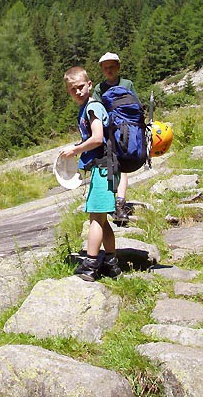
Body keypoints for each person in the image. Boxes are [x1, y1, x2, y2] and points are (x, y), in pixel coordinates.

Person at [60, 66, 121, 282]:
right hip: (105, 167)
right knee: (102, 220)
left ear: (89, 85)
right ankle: (112, 264)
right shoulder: (88, 108)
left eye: (80, 87)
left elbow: (97, 138)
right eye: (72, 90)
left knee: (95, 218)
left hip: (104, 168)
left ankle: (90, 265)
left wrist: (76, 150)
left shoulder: (93, 107)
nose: (77, 92)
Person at [93, 52, 138, 223]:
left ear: (118, 67)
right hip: (107, 132)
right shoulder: (99, 88)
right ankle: (112, 202)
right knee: (111, 165)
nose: (109, 70)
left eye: (112, 67)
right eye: (106, 68)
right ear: (102, 70)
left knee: (123, 166)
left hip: (125, 131)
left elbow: (136, 106)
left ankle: (120, 202)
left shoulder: (128, 84)